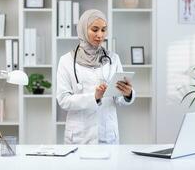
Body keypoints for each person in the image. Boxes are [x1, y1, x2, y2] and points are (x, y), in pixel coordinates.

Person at [56, 9, 136, 144]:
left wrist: (127, 94)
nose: (100, 35)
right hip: (79, 136)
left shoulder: (113, 59)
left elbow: (118, 99)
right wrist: (94, 97)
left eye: (104, 30)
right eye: (95, 29)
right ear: (82, 30)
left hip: (107, 134)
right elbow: (63, 100)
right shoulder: (66, 61)